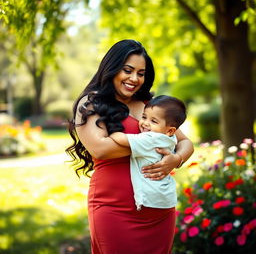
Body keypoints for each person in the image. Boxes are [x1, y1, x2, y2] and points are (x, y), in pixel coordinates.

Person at [66, 39, 194, 254]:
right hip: (113, 207)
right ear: (112, 68)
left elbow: (185, 142)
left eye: (141, 73)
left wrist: (176, 159)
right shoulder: (90, 103)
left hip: (158, 209)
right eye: (128, 70)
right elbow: (101, 149)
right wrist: (158, 144)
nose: (134, 79)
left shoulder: (148, 105)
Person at [109, 95, 187, 211]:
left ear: (170, 130)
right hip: (164, 196)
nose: (145, 123)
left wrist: (110, 133)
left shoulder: (151, 138)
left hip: (150, 198)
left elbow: (121, 139)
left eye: (153, 121)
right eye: (144, 117)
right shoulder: (170, 138)